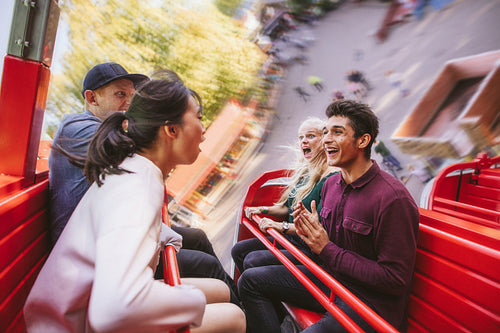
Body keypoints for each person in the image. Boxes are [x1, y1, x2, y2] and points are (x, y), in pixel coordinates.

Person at [24, 71, 246, 332]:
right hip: (77, 323)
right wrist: (193, 301)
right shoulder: (138, 184)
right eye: (198, 117)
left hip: (80, 307)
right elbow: (113, 311)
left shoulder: (135, 170)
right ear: (171, 130)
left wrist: (164, 237)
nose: (204, 129)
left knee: (220, 289)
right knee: (233, 317)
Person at [238, 99, 419, 332]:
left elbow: (395, 279)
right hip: (329, 279)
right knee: (250, 281)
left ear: (362, 141)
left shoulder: (393, 199)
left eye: (337, 132)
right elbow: (325, 243)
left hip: (368, 303)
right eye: (325, 132)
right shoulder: (331, 185)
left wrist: (326, 248)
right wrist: (307, 230)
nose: (326, 140)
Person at [231, 117, 337, 274]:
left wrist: (281, 226)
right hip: (291, 237)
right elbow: (287, 209)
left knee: (253, 261)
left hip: (308, 245)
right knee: (238, 250)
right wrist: (262, 209)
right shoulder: (305, 172)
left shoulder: (330, 177)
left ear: (325, 140)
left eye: (310, 136)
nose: (304, 142)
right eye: (301, 137)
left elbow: (320, 227)